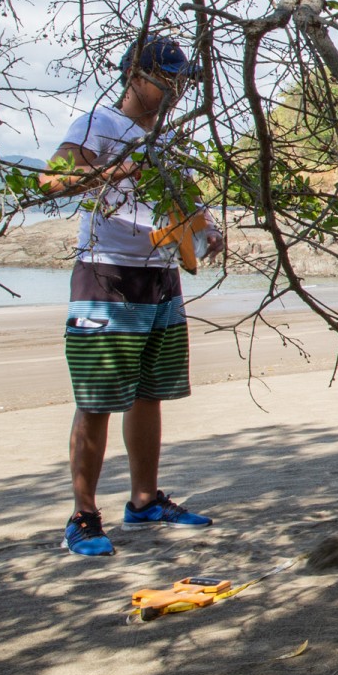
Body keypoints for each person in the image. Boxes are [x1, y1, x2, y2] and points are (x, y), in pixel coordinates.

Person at [41, 36, 222, 557]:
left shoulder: (167, 141)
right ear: (135, 76)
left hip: (162, 276)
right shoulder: (98, 123)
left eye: (182, 83)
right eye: (167, 80)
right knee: (97, 400)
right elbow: (54, 180)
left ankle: (144, 501)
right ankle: (83, 515)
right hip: (107, 275)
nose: (176, 91)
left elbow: (186, 205)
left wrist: (208, 232)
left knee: (150, 393)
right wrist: (112, 170)